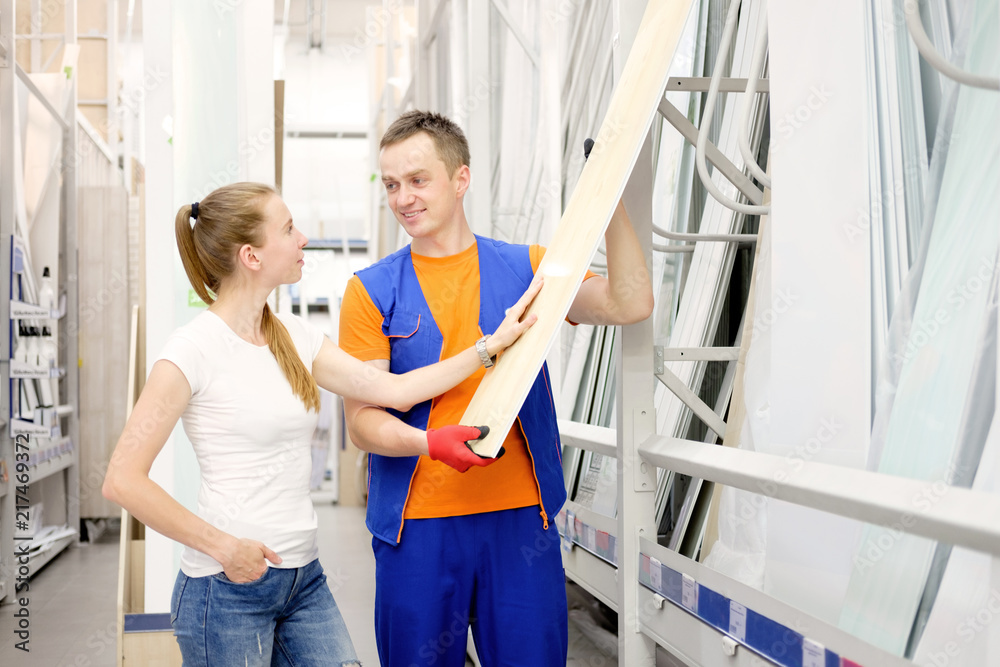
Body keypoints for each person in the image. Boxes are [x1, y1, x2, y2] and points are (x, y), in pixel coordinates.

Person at [101, 182, 540, 667]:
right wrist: (224, 547)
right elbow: (122, 480)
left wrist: (488, 348)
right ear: (251, 256)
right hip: (226, 590)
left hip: (302, 579)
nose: (303, 238)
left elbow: (393, 389)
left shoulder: (294, 335)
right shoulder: (192, 350)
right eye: (288, 229)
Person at [339, 111, 654, 666]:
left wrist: (610, 201)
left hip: (519, 524)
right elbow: (363, 423)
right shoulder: (371, 291)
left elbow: (629, 302)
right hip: (416, 528)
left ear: (460, 179)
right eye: (390, 185)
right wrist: (427, 443)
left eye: (417, 180)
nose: (403, 198)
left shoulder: (529, 270)